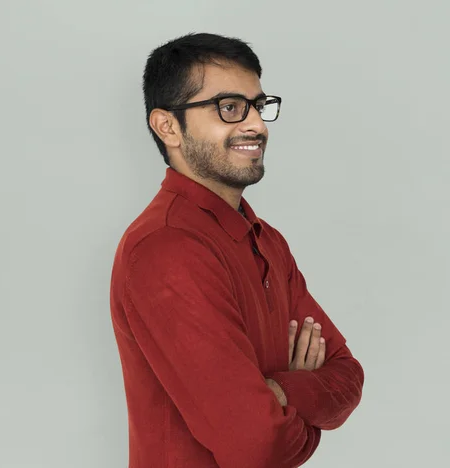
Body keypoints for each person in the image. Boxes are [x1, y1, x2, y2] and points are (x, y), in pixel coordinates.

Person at [109, 32, 364, 468]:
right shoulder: (165, 250)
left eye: (259, 106)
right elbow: (258, 447)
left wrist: (281, 392)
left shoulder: (266, 240)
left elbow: (346, 375)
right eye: (229, 108)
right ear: (167, 125)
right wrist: (303, 399)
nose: (257, 125)